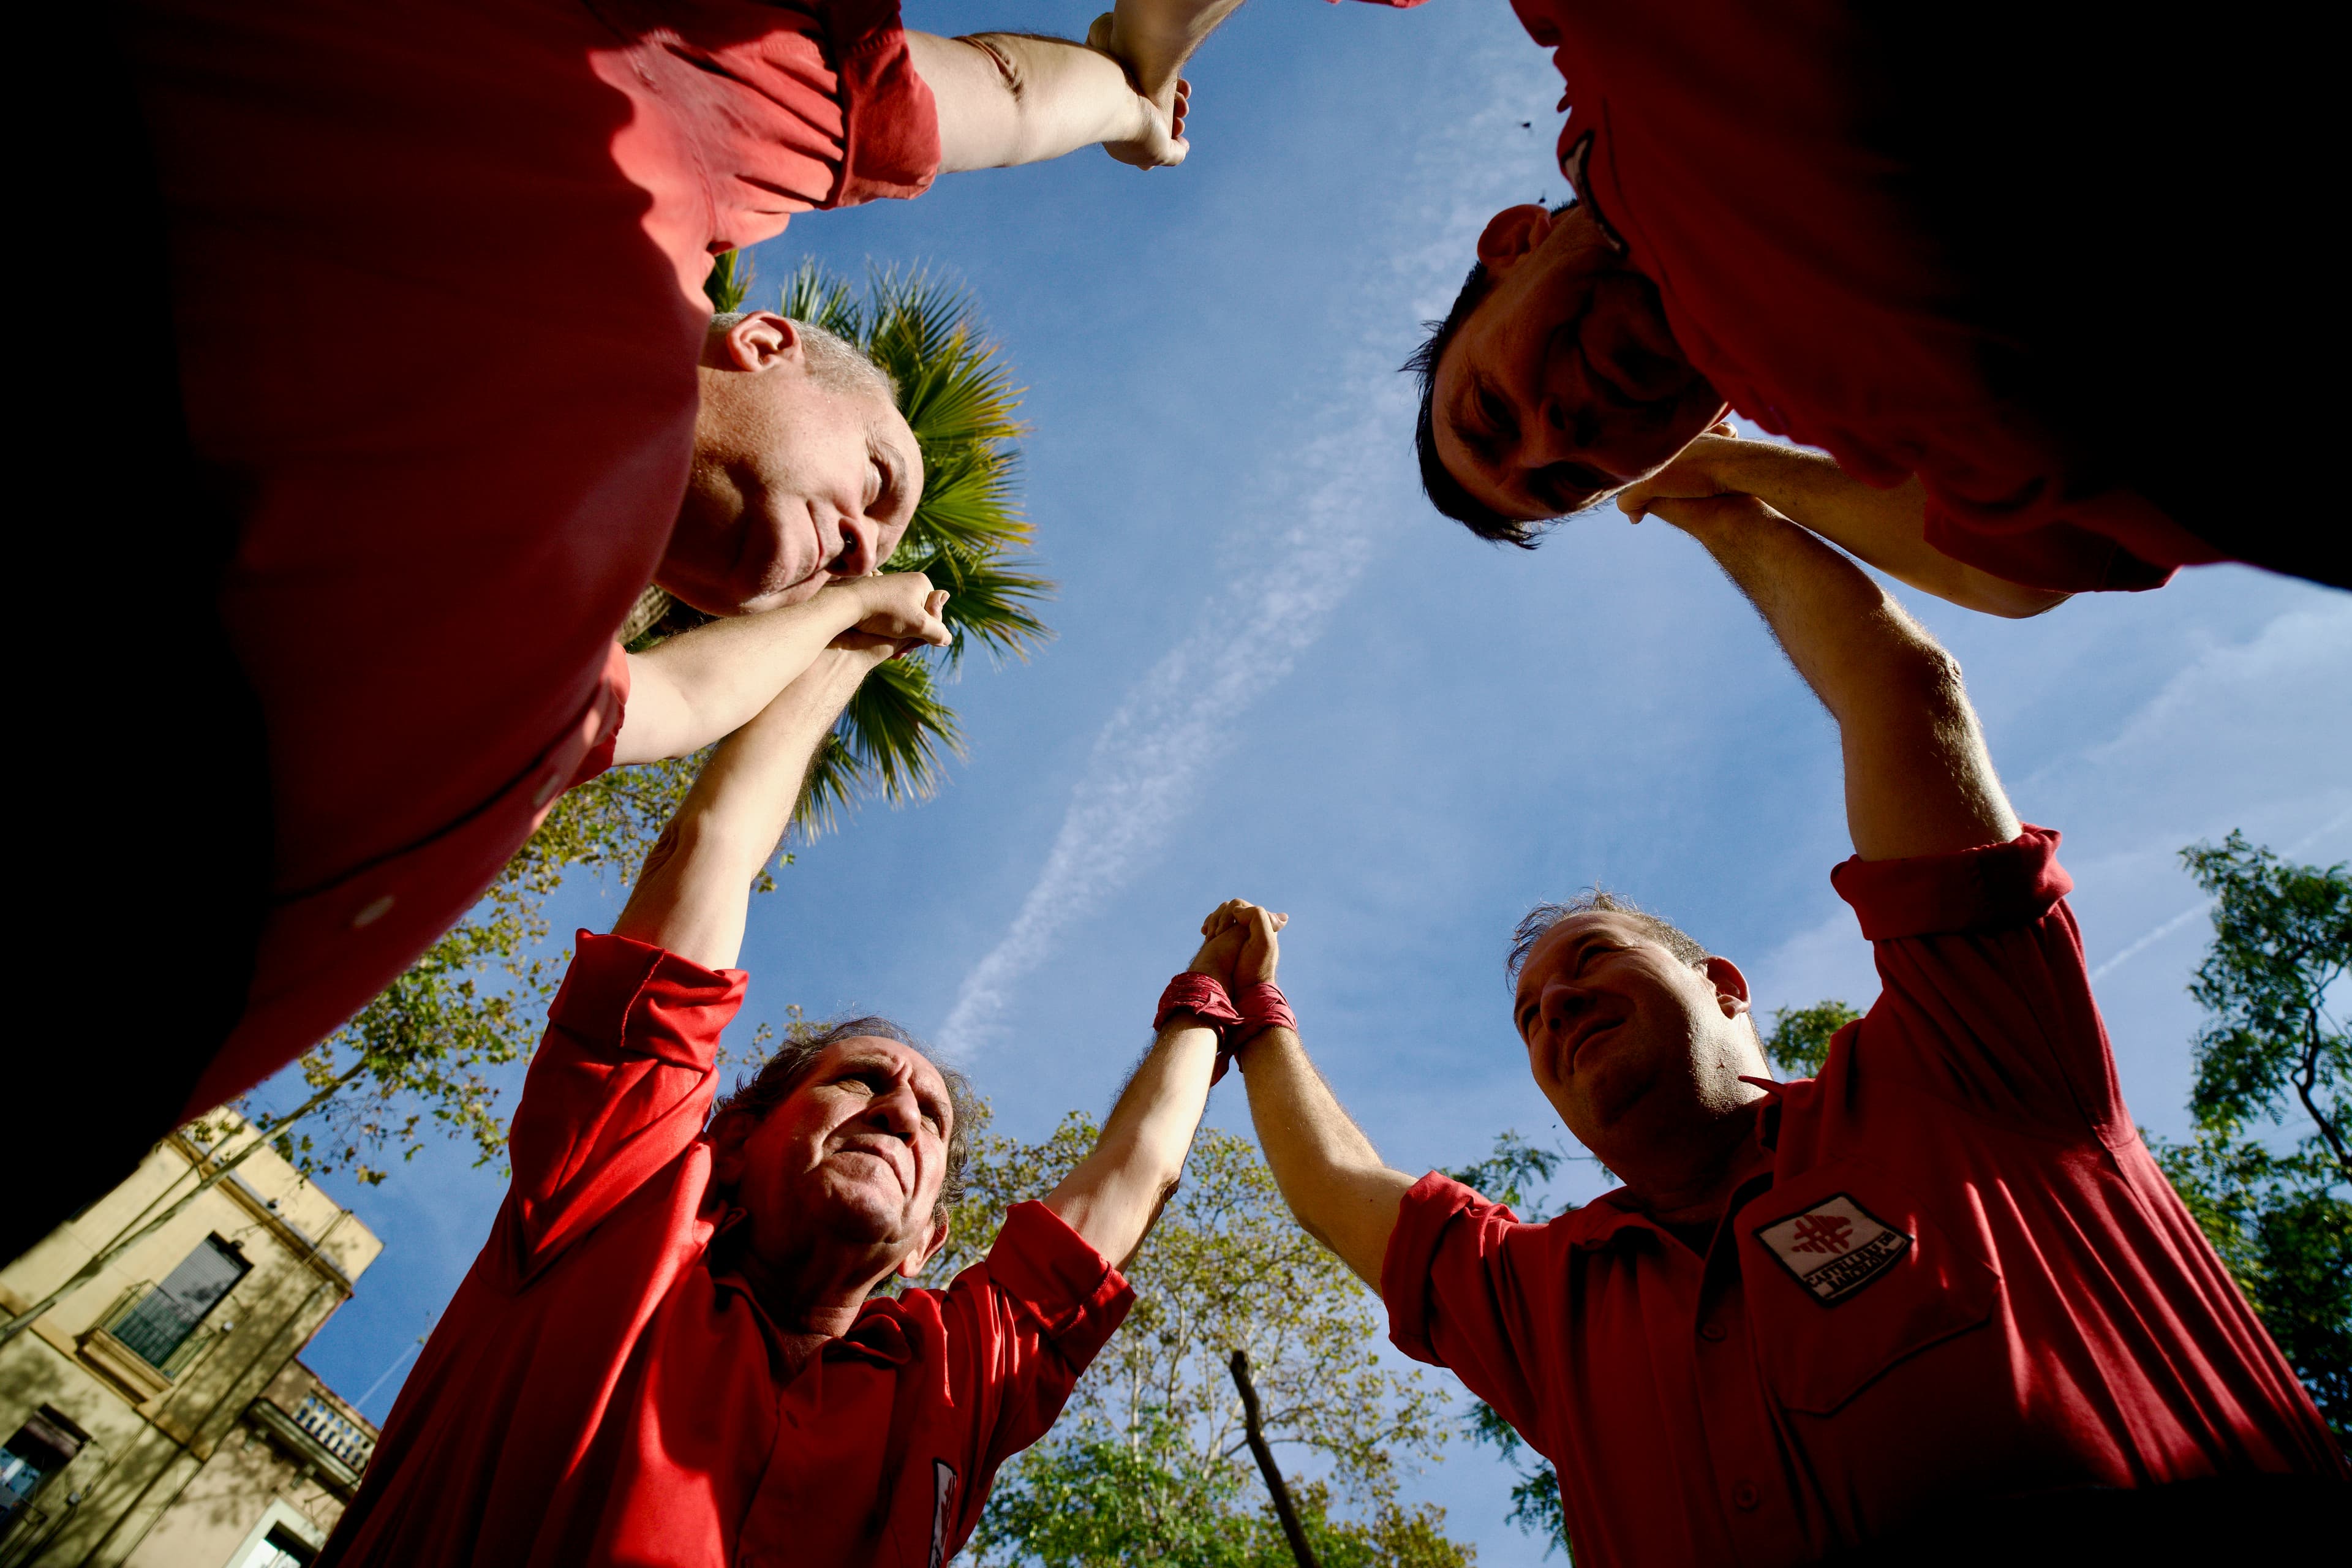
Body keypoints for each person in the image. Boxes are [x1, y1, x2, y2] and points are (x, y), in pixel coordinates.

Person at [33, 0, 1204, 1256]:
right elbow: (987, 94)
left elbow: (688, 703)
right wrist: (1127, 96)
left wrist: (853, 613)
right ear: (763, 345)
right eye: (875, 482)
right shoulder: (648, 157)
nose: (867, 538)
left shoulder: (547, 699)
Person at [1224, 492, 2346, 1560]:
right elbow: (1332, 1188)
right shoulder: (1546, 1304)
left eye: (1593, 958)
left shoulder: (1966, 1072)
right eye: (1527, 1016)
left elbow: (1906, 696)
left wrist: (1704, 491)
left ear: (1722, 984)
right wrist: (1251, 1007)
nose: (1554, 1006)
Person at [317, 609, 1289, 1564]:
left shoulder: (948, 1388)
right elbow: (709, 856)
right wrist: (855, 636)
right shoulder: (620, 1207)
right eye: (863, 1080)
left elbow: (1135, 1178)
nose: (902, 1110)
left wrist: (1210, 1002)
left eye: (930, 1121)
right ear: (732, 1140)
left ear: (927, 1243)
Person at [1345, 1, 2342, 608]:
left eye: (1491, 411)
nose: (1555, 432)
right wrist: (1720, 463)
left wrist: (1175, 38)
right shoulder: (1850, 419)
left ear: (1513, 242)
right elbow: (2023, 576)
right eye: (1569, 482)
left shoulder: (1629, 72)